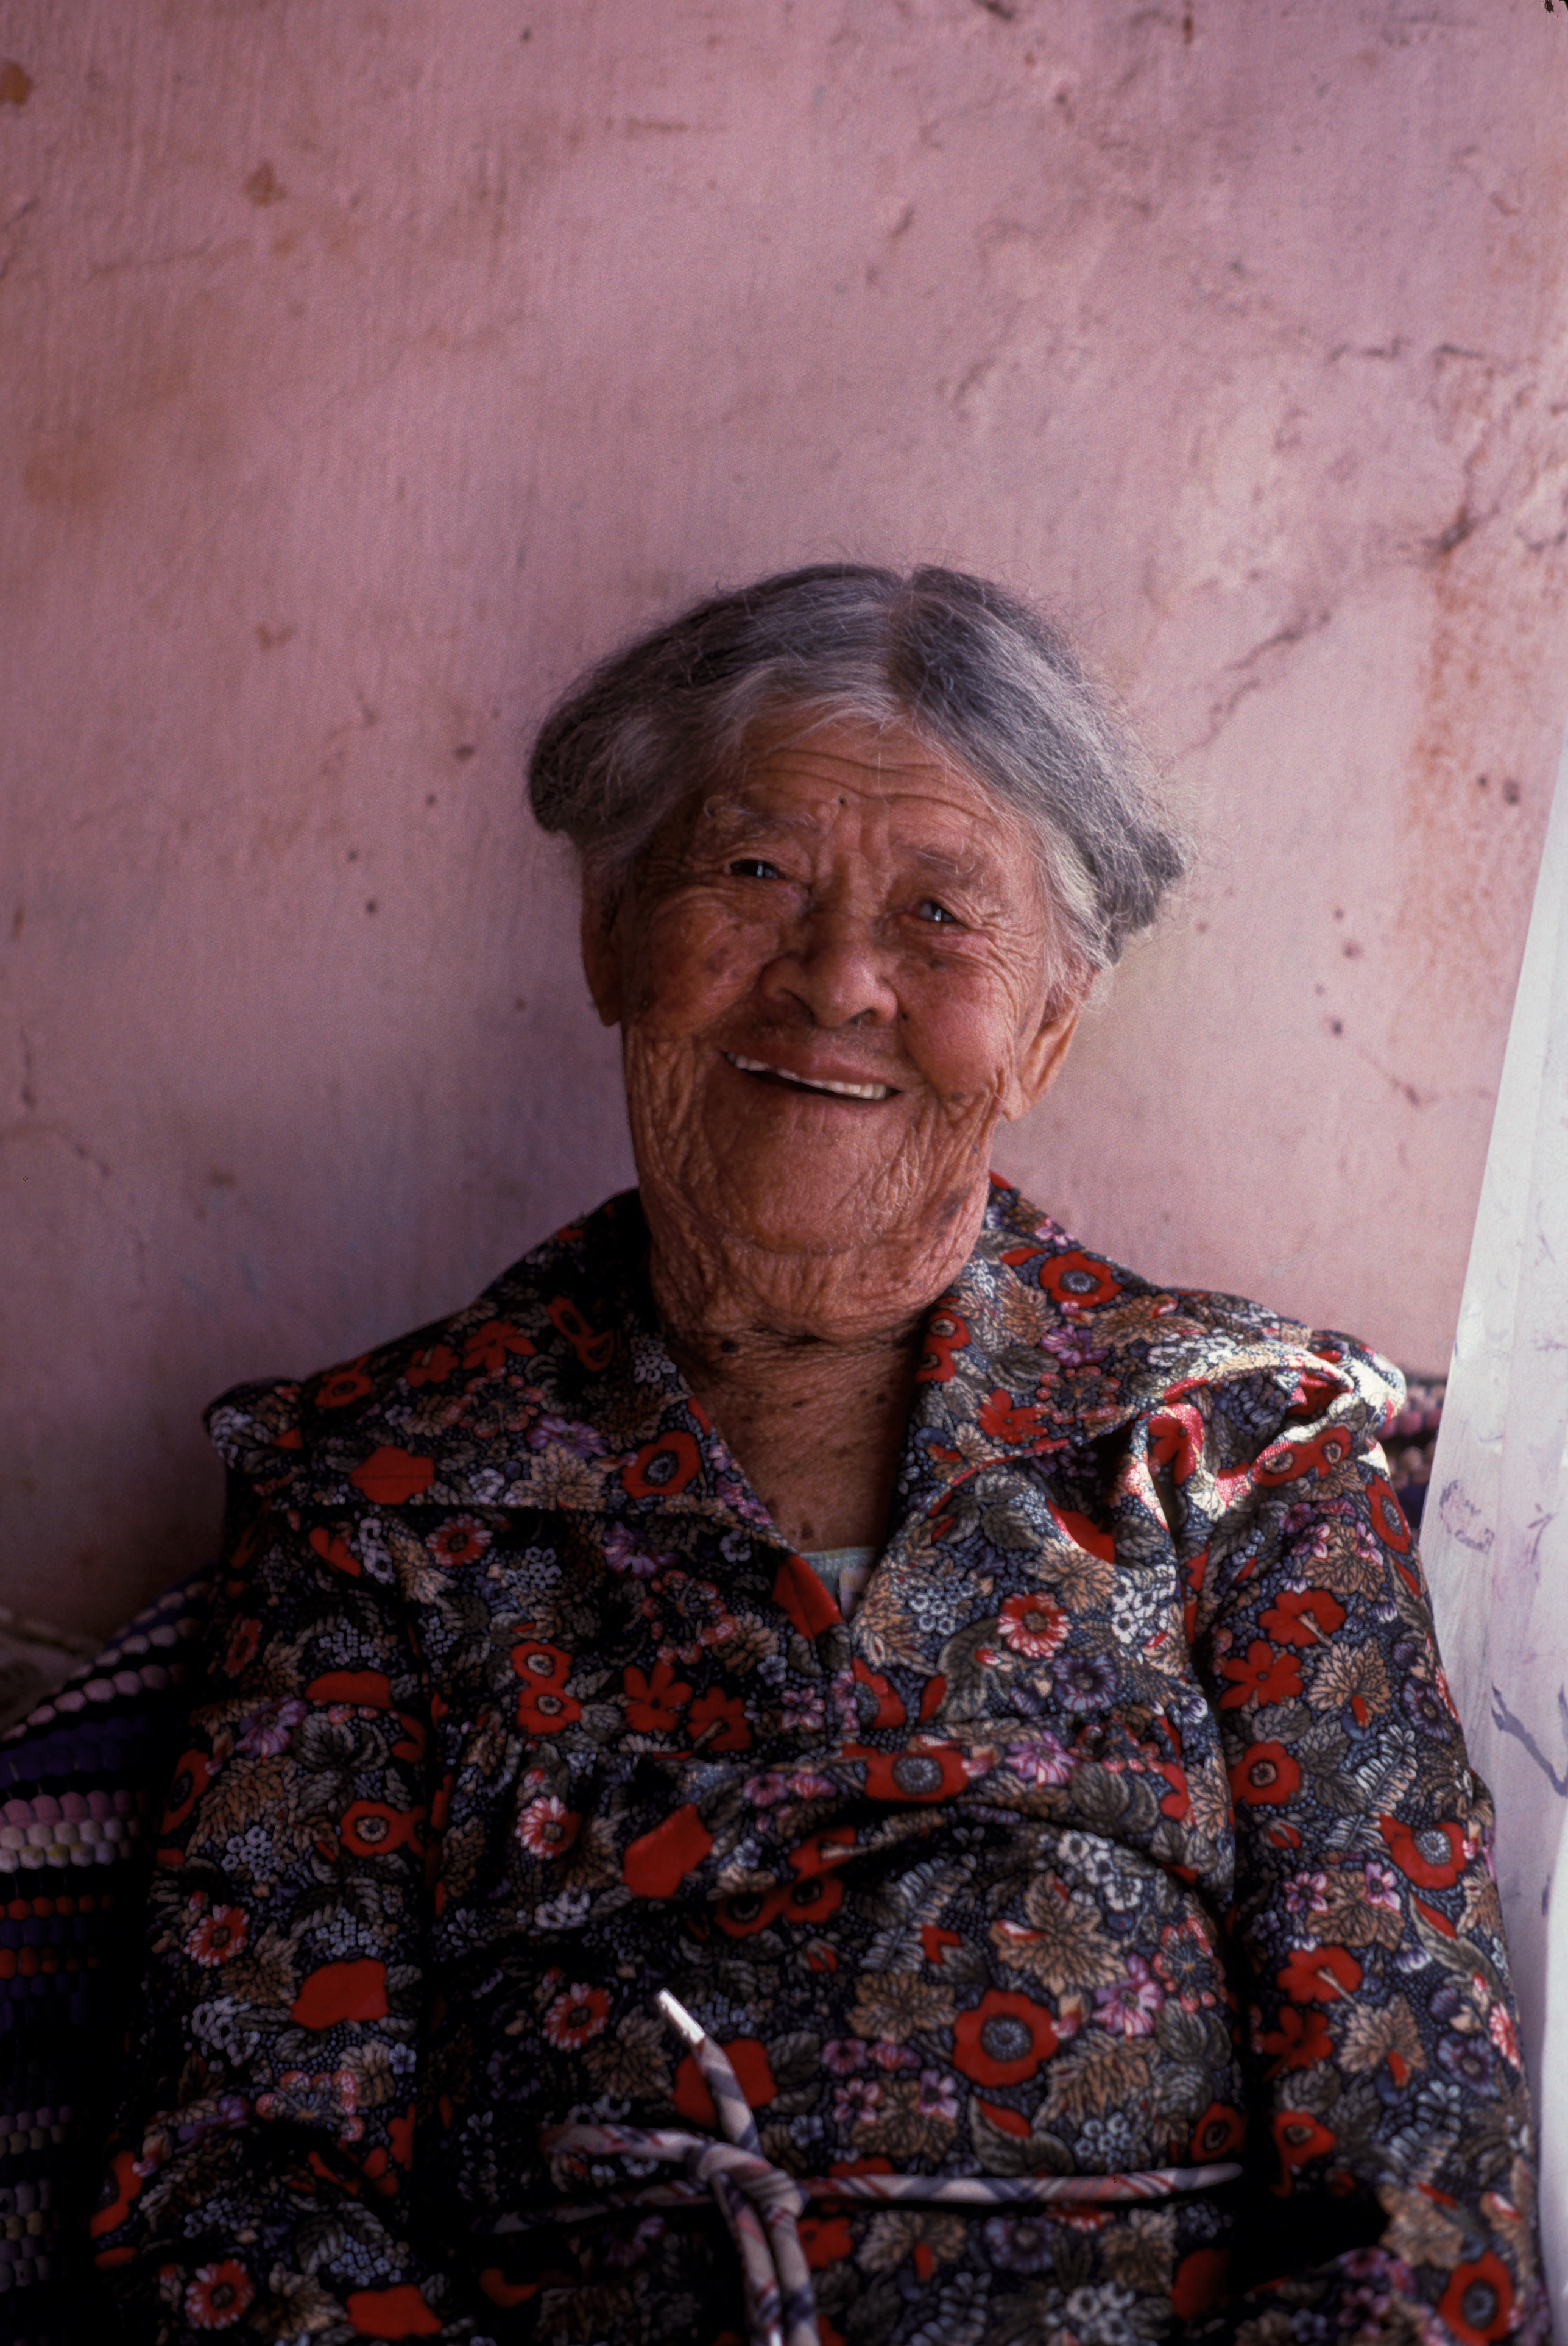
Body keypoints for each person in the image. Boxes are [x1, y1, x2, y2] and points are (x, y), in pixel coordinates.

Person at [94, 567, 1543, 2345]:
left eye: (942, 915)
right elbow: (233, 2204)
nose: (840, 977)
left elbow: (1422, 2196)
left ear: (1045, 1033)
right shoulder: (377, 1496)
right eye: (756, 873)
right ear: (614, 931)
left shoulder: (1242, 1456)